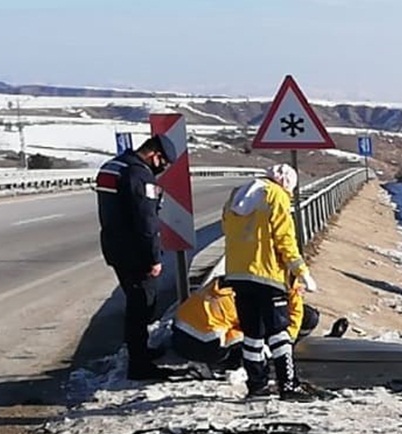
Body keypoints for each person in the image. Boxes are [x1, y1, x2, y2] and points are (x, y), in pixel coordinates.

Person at [222, 164, 318, 400]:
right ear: (287, 184)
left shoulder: (238, 193)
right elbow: (285, 237)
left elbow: (228, 228)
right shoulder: (277, 196)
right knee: (278, 332)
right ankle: (288, 385)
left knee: (252, 334)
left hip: (238, 274)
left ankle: (257, 385)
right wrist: (301, 270)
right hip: (268, 274)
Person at [95, 134, 178, 381]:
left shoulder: (114, 166)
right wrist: (153, 257)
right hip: (135, 253)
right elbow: (146, 222)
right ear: (154, 154)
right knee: (141, 306)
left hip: (115, 247)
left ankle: (141, 353)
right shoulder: (138, 175)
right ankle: (139, 365)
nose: (162, 169)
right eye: (162, 163)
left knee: (137, 305)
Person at [169, 274, 327, 371]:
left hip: (179, 335)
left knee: (255, 329)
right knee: (254, 336)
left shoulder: (234, 280)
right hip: (204, 345)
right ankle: (226, 365)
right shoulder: (252, 297)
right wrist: (283, 346)